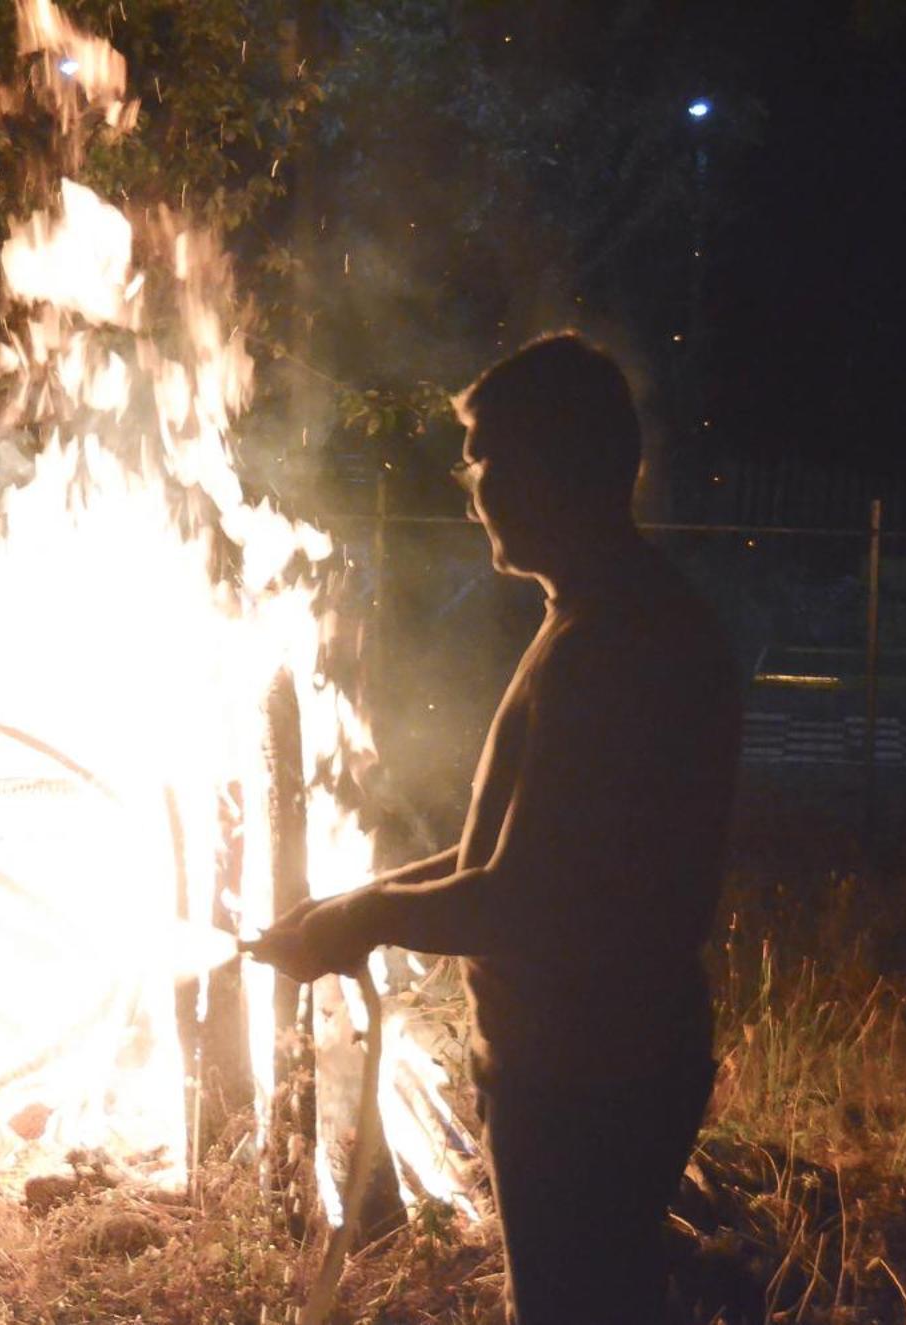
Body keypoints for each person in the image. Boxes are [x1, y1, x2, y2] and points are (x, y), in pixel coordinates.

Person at [248, 333, 741, 1324]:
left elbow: (521, 896)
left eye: (486, 456)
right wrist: (357, 901)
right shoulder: (600, 617)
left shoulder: (608, 649)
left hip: (588, 1073)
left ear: (555, 467)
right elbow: (507, 850)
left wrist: (368, 917)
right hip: (599, 1059)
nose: (470, 484)